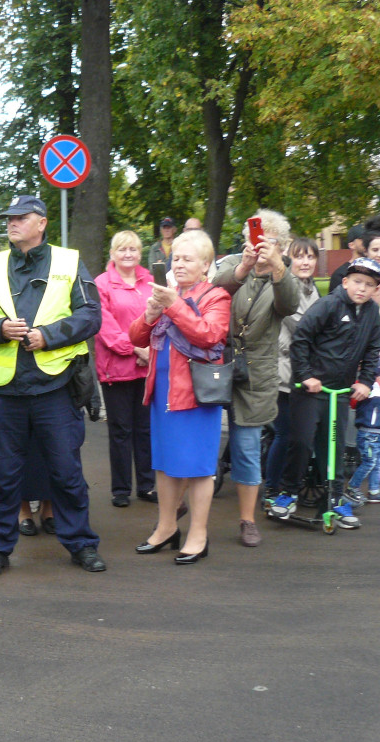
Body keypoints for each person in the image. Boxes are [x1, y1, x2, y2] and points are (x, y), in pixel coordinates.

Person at [0, 194, 105, 577]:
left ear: (41, 222)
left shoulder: (69, 262)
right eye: (8, 218)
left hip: (54, 389)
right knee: (5, 478)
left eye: (20, 218)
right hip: (5, 393)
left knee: (66, 472)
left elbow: (91, 315)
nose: (11, 223)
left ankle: (82, 545)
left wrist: (49, 336)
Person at [129, 230, 231, 564]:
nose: (180, 264)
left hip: (197, 393)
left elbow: (209, 335)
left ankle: (198, 535)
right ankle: (166, 528)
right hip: (161, 390)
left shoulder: (216, 296)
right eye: (176, 258)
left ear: (206, 264)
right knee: (164, 463)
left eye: (188, 259)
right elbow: (135, 336)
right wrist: (150, 313)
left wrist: (173, 306)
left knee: (199, 467)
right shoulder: (167, 293)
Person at [269, 258, 380, 529]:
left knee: (333, 447)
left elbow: (371, 351)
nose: (361, 289)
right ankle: (288, 493)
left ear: (375, 289)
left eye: (369, 285)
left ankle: (334, 498)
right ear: (345, 282)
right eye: (357, 282)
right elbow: (301, 340)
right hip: (311, 390)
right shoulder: (328, 305)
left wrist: (365, 382)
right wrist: (306, 376)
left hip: (340, 391)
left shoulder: (371, 314)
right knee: (302, 441)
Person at [213, 210, 301, 547]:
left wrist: (277, 266)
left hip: (256, 372)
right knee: (205, 439)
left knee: (248, 448)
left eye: (269, 240)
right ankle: (188, 505)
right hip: (217, 364)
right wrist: (244, 268)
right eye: (256, 237)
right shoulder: (233, 262)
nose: (260, 245)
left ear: (280, 245)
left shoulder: (284, 273)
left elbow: (289, 304)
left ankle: (247, 520)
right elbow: (214, 290)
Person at [95, 230, 156, 508]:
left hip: (147, 366)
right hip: (116, 368)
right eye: (122, 249)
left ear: (140, 253)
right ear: (112, 254)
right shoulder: (102, 284)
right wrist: (135, 349)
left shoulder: (151, 282)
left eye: (133, 249)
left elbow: (161, 319)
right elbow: (105, 327)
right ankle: (120, 489)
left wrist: (150, 351)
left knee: (145, 428)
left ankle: (147, 484)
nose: (128, 254)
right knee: (120, 430)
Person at [264, 238, 322, 496]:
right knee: (285, 433)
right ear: (290, 259)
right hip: (283, 371)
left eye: (310, 257)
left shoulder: (314, 289)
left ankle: (289, 483)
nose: (306, 262)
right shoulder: (285, 285)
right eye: (300, 257)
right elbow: (299, 324)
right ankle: (272, 487)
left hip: (305, 370)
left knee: (299, 433)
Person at [343, 357, 380, 507]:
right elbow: (356, 397)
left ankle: (374, 491)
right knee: (369, 462)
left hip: (379, 434)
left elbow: (378, 412)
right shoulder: (373, 388)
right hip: (369, 433)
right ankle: (352, 488)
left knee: (377, 463)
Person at [327, 224, 367, 293]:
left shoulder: (376, 271)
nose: (368, 242)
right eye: (363, 239)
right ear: (351, 245)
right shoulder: (340, 275)